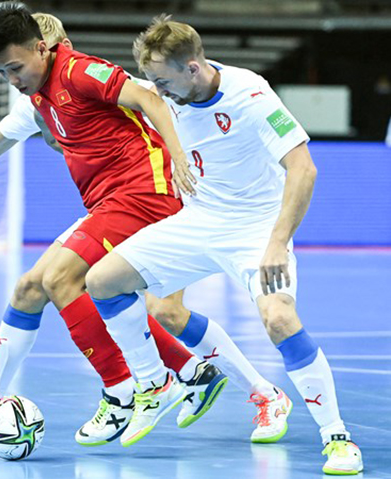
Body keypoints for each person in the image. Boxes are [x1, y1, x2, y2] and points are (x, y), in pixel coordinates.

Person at [0, 8, 241, 448]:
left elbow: (152, 99)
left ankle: (123, 392)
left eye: (16, 68)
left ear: (44, 48)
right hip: (108, 203)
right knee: (31, 287)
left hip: (143, 192)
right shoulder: (36, 98)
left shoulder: (81, 73)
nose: (12, 79)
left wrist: (178, 156)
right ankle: (188, 371)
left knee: (64, 278)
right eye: (3, 72)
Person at [84, 15, 362, 474]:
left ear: (193, 67)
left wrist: (276, 243)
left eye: (163, 81)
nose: (158, 91)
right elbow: (111, 88)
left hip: (256, 229)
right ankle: (154, 384)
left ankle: (336, 437)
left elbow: (304, 170)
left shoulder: (250, 95)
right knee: (103, 281)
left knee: (278, 319)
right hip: (198, 221)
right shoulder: (167, 89)